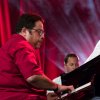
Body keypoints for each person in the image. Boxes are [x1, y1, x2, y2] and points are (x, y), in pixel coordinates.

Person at [0, 13, 74, 100]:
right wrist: (57, 87)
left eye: (43, 33)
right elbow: (33, 77)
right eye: (39, 32)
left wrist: (44, 97)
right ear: (24, 31)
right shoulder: (21, 45)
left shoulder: (10, 44)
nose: (43, 37)